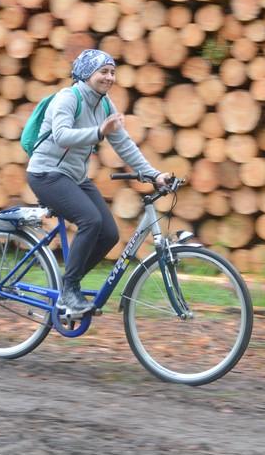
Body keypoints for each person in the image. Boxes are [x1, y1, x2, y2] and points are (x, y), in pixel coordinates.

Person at [27, 49, 170, 319]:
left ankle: (69, 285)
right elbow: (61, 135)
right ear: (86, 73)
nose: (110, 77)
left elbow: (124, 144)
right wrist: (99, 131)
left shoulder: (104, 104)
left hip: (75, 177)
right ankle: (69, 292)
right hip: (46, 174)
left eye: (113, 72)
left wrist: (154, 174)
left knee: (109, 234)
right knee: (90, 221)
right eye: (103, 71)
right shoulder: (68, 98)